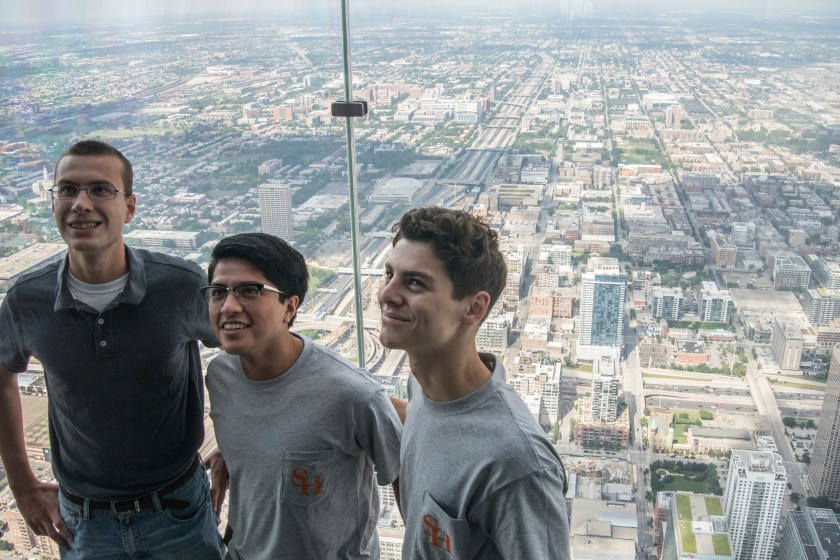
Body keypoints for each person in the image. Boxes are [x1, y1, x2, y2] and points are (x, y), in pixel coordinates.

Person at [0, 140, 223, 558]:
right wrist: (23, 485)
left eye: (100, 190)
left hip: (178, 511)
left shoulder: (179, 285)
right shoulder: (27, 299)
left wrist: (234, 443)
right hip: (84, 522)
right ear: (52, 204)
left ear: (130, 207)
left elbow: (246, 353)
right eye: (67, 190)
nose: (81, 203)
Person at [378, 206, 571, 559]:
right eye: (389, 274)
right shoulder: (422, 389)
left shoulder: (518, 465)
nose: (386, 295)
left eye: (414, 282)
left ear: (473, 308)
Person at [203, 233, 402, 560]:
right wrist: (234, 452)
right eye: (218, 291)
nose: (228, 306)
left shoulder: (351, 394)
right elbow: (271, 429)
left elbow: (404, 474)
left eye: (249, 291)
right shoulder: (221, 377)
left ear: (290, 307)